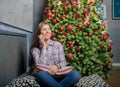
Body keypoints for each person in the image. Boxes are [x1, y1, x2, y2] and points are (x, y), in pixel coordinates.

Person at [30, 22, 80, 87]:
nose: (48, 31)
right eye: (44, 29)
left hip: (60, 74)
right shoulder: (35, 49)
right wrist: (44, 47)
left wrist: (56, 67)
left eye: (49, 29)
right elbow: (40, 66)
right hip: (46, 77)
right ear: (39, 34)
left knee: (75, 74)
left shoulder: (57, 45)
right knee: (41, 74)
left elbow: (63, 62)